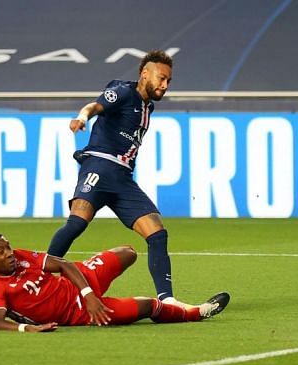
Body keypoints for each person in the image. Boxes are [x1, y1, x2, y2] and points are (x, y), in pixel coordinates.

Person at [47, 50, 224, 310]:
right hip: (99, 165)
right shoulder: (123, 92)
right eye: (161, 78)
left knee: (157, 233)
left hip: (122, 178)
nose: (165, 85)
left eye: (169, 81)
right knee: (76, 224)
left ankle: (168, 300)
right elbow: (94, 106)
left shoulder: (146, 105)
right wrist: (82, 118)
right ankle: (37, 278)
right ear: (144, 74)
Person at [0, 232, 230, 332]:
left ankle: (94, 275)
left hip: (83, 281)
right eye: (1, 252)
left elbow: (64, 265)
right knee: (146, 307)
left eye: (7, 247)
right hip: (81, 314)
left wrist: (88, 294)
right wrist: (25, 327)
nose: (9, 253)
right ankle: (196, 313)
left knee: (128, 252)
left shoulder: (21, 256)